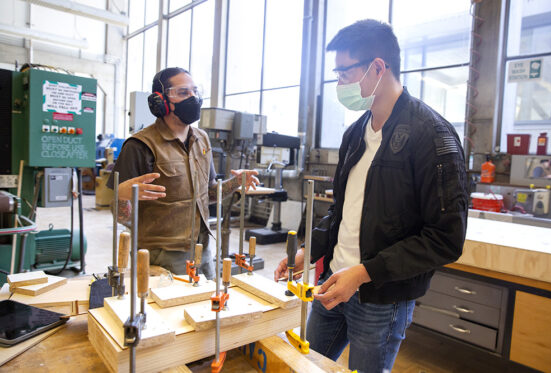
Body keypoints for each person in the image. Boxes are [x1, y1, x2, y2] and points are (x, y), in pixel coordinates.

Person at [274, 20, 468, 373]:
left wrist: (364, 273)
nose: (339, 84)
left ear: (378, 67)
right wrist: (310, 250)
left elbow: (445, 238)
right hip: (332, 283)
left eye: (344, 73)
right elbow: (344, 211)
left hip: (381, 298)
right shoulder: (355, 134)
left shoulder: (431, 135)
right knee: (306, 366)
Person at [108, 67, 259, 280]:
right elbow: (123, 214)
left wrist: (236, 182)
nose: (193, 98)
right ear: (159, 100)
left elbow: (209, 194)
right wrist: (122, 197)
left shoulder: (202, 139)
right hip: (162, 255)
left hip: (202, 247)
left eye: (194, 91)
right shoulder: (139, 145)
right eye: (183, 92)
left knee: (207, 307)